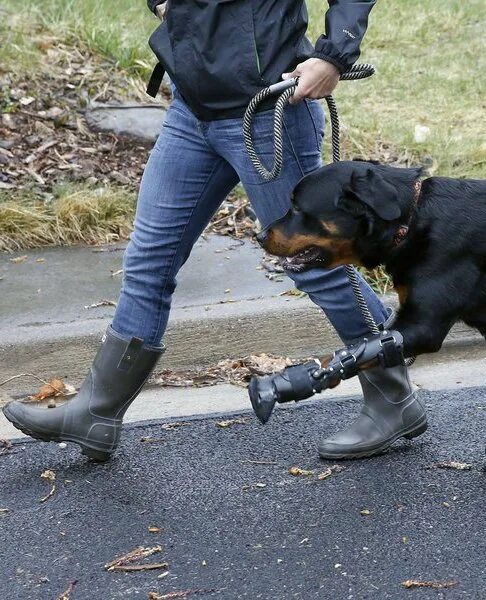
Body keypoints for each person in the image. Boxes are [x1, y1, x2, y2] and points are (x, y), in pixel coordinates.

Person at [2, 0, 427, 462]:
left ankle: (393, 399)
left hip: (270, 108)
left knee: (315, 265)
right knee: (149, 260)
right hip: (192, 109)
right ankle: (96, 413)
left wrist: (332, 55)